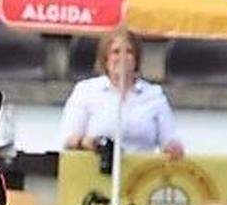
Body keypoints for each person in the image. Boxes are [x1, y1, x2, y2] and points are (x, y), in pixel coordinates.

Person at [60, 30, 184, 158]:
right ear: (105, 59)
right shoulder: (86, 91)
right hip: (97, 171)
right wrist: (89, 142)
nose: (122, 57)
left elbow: (170, 140)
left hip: (139, 173)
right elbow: (68, 139)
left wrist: (174, 147)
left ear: (136, 59)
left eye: (129, 51)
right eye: (116, 52)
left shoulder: (154, 95)